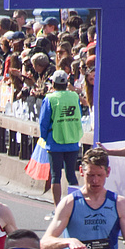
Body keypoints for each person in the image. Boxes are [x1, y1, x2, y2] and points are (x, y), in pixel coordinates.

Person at [39, 71, 84, 217]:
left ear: (53, 84)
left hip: (55, 141)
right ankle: (76, 206)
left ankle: (58, 208)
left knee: (55, 175)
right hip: (72, 140)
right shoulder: (74, 96)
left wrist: (44, 137)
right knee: (71, 174)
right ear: (66, 83)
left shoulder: (50, 98)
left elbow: (44, 121)